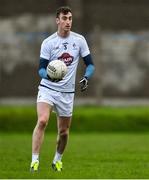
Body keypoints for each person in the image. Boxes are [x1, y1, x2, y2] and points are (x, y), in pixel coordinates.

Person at [30, 6, 95, 172]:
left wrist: (86, 77)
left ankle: (57, 160)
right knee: (43, 120)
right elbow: (41, 70)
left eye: (70, 18)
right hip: (48, 88)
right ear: (57, 20)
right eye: (64, 18)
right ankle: (34, 161)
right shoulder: (49, 43)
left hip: (67, 93)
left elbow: (90, 65)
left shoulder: (79, 40)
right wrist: (51, 76)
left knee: (64, 132)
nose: (68, 22)